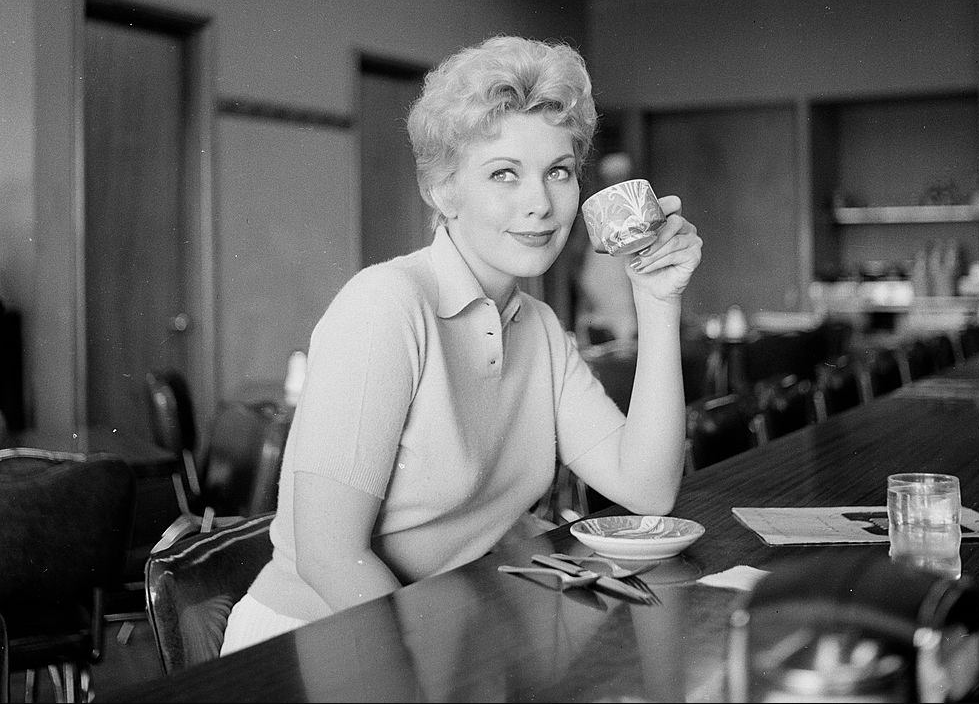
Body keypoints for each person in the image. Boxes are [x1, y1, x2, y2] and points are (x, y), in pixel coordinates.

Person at [220, 35, 702, 653]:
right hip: (317, 642)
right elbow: (328, 555)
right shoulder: (386, 305)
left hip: (443, 637)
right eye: (504, 173)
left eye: (558, 171)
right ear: (443, 190)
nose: (540, 202)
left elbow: (648, 490)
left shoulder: (540, 328)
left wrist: (657, 303)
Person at [573, 152, 641, 346]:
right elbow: (579, 252)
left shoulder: (634, 203)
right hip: (597, 275)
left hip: (625, 279)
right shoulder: (594, 206)